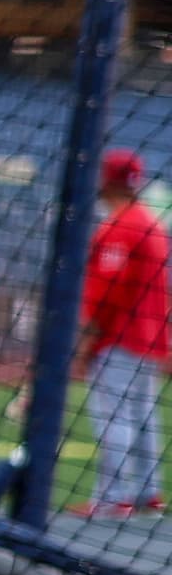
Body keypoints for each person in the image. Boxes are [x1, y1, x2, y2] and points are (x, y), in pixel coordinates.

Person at [77, 147, 167, 518]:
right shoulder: (152, 224)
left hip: (120, 338)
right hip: (149, 340)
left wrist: (86, 341)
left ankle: (114, 498)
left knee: (116, 418)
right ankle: (147, 493)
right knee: (144, 416)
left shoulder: (118, 227)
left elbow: (105, 294)